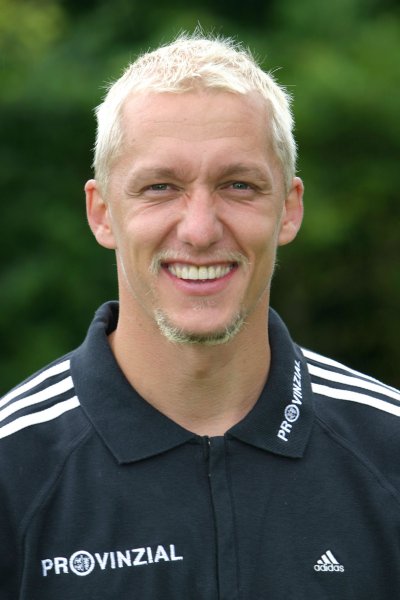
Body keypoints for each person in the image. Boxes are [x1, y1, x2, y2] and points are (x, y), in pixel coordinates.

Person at [1, 32, 399, 600]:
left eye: (239, 185)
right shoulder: (13, 469)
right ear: (102, 212)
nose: (200, 229)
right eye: (160, 187)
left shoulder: (388, 449)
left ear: (289, 209)